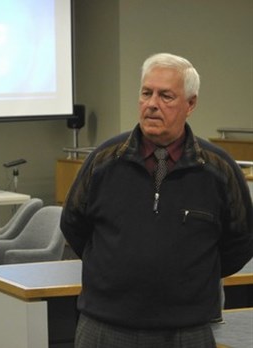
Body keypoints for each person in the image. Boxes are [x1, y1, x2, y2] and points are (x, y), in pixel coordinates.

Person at [61, 53, 253, 348]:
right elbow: (73, 224)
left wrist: (192, 277)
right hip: (105, 327)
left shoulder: (218, 169)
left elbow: (240, 241)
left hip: (186, 332)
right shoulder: (104, 160)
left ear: (191, 104)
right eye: (146, 93)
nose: (152, 104)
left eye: (166, 96)